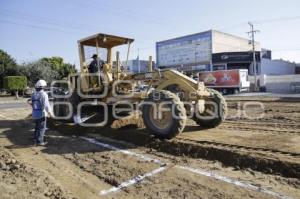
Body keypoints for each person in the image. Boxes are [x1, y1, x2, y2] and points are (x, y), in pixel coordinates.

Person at [30, 80, 53, 146]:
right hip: (41, 113)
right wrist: (50, 113)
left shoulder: (34, 94)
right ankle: (40, 141)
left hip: (35, 113)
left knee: (37, 127)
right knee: (42, 128)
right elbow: (46, 105)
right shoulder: (43, 94)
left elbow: (32, 103)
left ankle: (35, 138)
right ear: (43, 87)